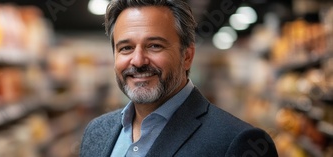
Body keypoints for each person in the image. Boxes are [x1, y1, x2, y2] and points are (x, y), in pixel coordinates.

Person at [80, 0, 278, 156]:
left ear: (187, 56)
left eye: (154, 45)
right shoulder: (96, 132)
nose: (138, 61)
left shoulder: (238, 143)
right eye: (126, 48)